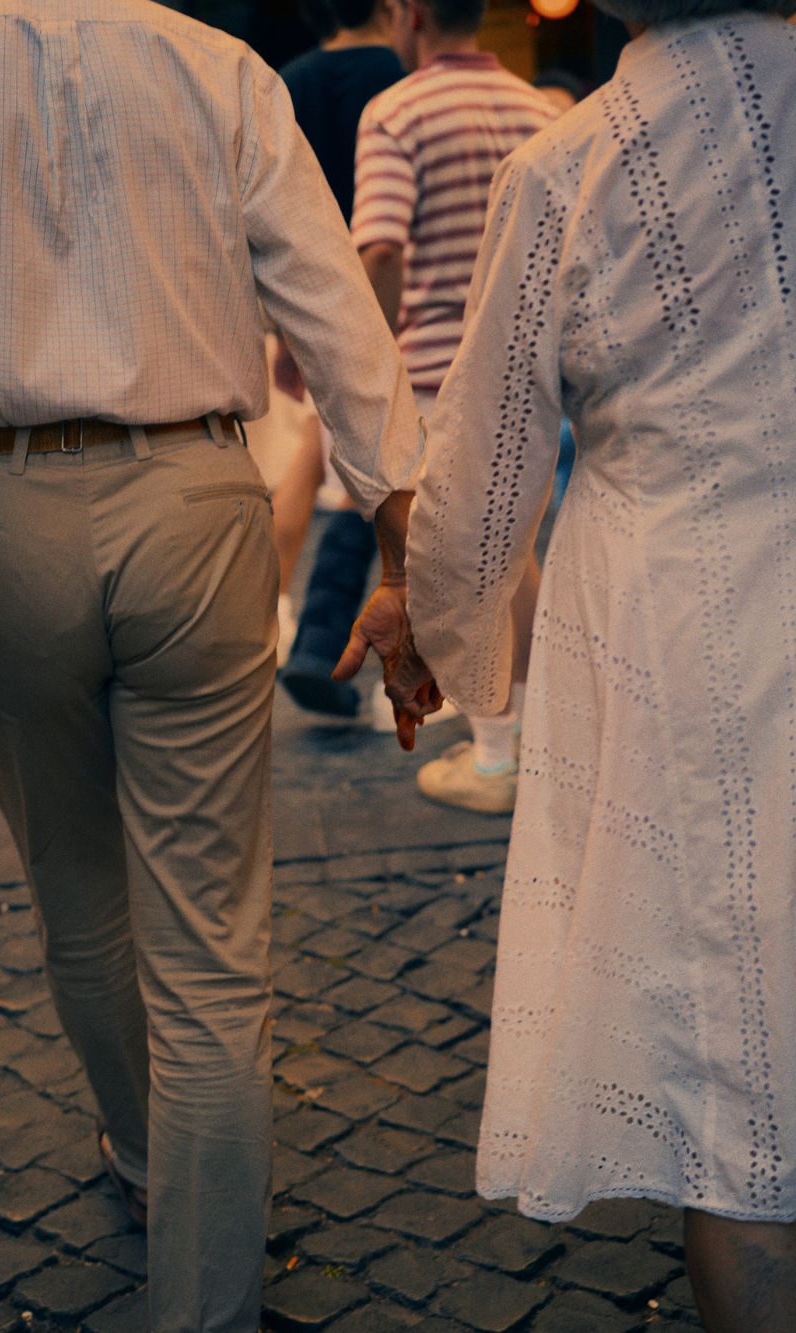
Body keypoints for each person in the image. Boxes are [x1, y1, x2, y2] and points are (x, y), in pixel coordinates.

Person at [0, 1, 422, 1326]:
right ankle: (206, 1285)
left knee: (80, 902)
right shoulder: (222, 68)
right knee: (209, 950)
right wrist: (406, 556)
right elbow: (342, 326)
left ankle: (148, 1159)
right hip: (196, 489)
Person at [352, 3, 796, 1326]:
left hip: (679, 604)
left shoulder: (578, 155)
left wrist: (434, 626)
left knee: (732, 1033)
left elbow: (489, 465)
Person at [348, 0, 553, 810]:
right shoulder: (537, 111)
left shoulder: (396, 112)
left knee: (454, 562)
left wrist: (370, 358)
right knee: (517, 558)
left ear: (410, 14)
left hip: (434, 373)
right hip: (525, 373)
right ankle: (528, 738)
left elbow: (384, 243)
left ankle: (498, 752)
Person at [270, 0, 410, 715]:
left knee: (332, 477)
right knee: (382, 485)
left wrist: (286, 328)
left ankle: (308, 634)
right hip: (403, 309)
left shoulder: (287, 82)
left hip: (313, 307)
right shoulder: (400, 73)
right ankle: (334, 645)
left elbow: (272, 210)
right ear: (391, 9)